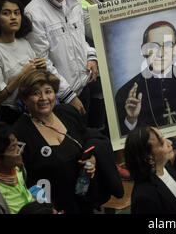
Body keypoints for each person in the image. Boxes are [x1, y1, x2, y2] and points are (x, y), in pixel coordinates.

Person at [13, 69, 124, 214]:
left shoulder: (66, 112)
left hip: (84, 200)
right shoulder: (19, 133)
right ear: (25, 99)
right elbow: (23, 180)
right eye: (35, 93)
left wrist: (92, 158)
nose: (43, 98)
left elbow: (88, 137)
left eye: (48, 91)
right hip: (54, 207)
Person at [25, 0, 100, 123]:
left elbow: (80, 38)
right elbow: (42, 63)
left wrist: (91, 56)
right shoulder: (33, 13)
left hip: (84, 83)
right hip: (60, 98)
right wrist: (68, 96)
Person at [114, 21, 176, 136]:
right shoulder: (126, 92)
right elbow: (121, 139)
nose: (160, 53)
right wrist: (131, 119)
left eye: (167, 45)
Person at [0, 0, 46, 124]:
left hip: (32, 110)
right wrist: (22, 74)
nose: (13, 17)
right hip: (11, 116)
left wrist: (41, 68)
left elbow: (34, 75)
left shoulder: (24, 43)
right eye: (6, 13)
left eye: (17, 13)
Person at [124, 125, 176, 214]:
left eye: (164, 138)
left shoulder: (166, 165)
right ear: (149, 157)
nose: (170, 143)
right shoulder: (144, 198)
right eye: (162, 143)